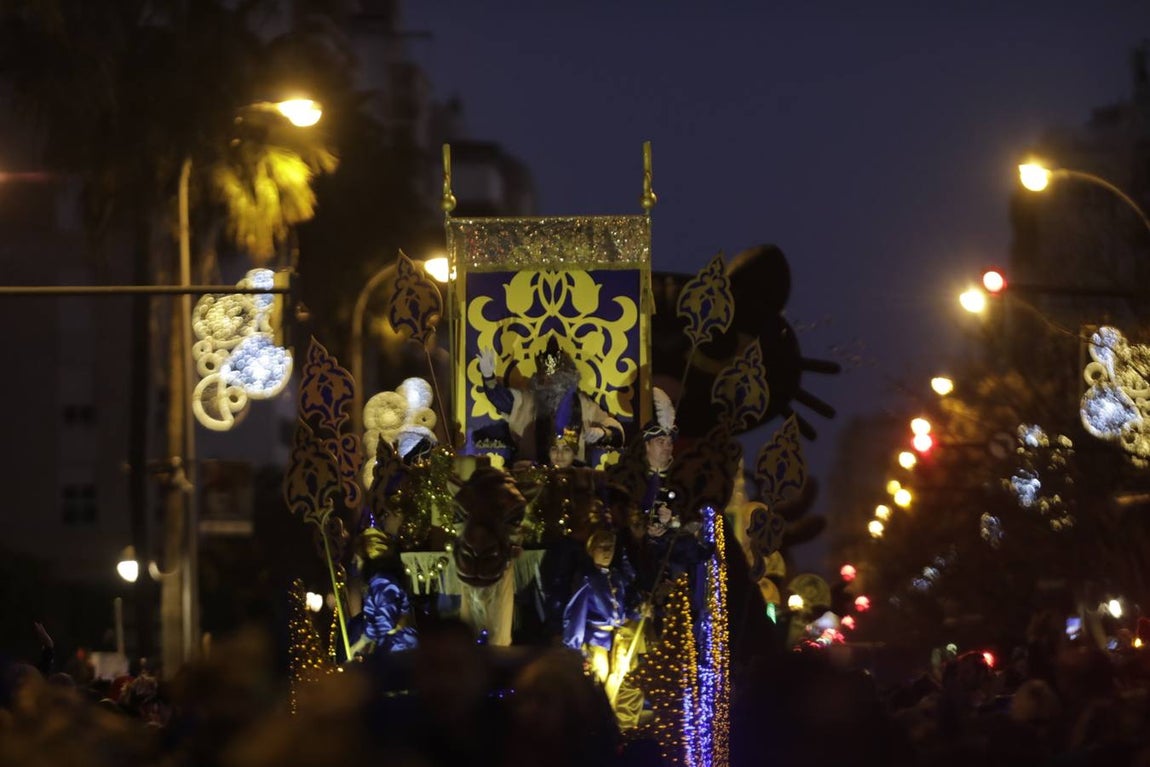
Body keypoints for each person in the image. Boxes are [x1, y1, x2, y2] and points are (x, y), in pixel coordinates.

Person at [477, 337, 622, 465]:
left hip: (573, 473)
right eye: (546, 380)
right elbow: (503, 400)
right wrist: (489, 377)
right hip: (533, 471)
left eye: (557, 380)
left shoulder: (583, 403)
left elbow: (614, 430)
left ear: (566, 378)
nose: (551, 384)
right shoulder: (528, 399)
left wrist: (603, 432)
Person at [562, 529, 647, 729]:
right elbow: (575, 614)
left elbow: (622, 612)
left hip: (616, 639)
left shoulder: (616, 577)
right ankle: (594, 726)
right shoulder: (587, 580)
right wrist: (576, 650)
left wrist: (640, 611)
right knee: (599, 683)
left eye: (611, 547)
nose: (607, 551)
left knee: (619, 682)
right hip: (595, 641)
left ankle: (615, 726)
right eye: (602, 547)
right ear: (591, 549)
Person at [347, 517, 418, 658]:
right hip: (391, 648)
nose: (355, 563)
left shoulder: (382, 582)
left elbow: (386, 621)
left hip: (399, 649)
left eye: (359, 558)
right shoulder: (379, 581)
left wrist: (360, 643)